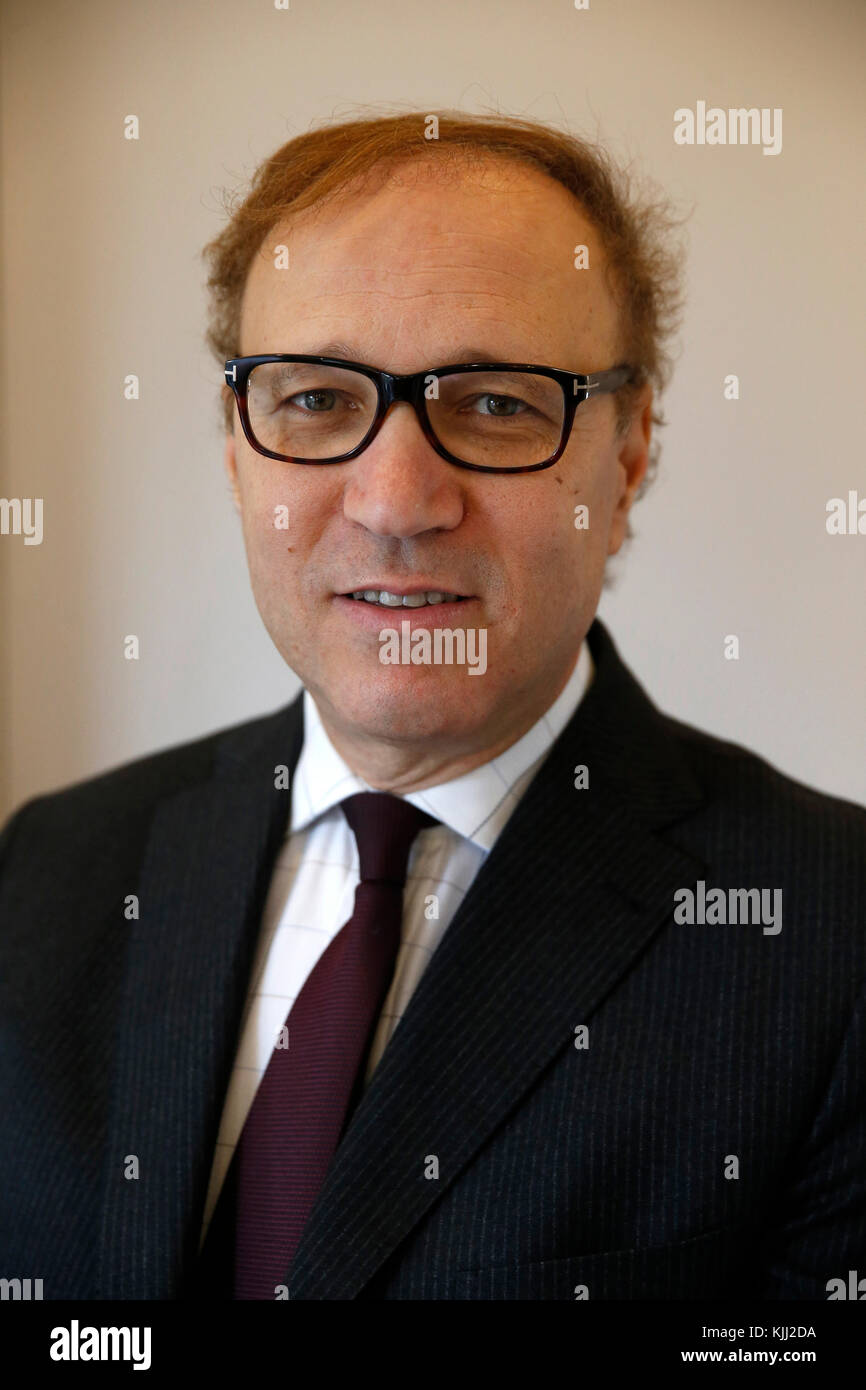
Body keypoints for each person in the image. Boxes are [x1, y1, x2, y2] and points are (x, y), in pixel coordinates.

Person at [1, 111, 863, 1302]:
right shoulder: (48, 870)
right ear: (236, 451)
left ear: (626, 456)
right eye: (314, 399)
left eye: (497, 404)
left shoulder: (831, 942)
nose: (397, 498)